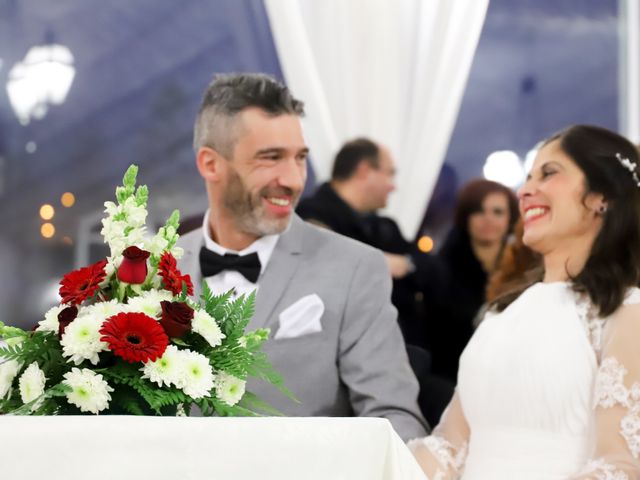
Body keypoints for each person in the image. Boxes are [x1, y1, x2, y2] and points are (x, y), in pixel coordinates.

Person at [177, 73, 428, 441]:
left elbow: (395, 419)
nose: (294, 180)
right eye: (271, 158)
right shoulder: (150, 269)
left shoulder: (355, 268)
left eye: (300, 158)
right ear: (210, 164)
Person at [409, 124, 640, 478]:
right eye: (528, 177)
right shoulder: (500, 313)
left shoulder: (625, 312)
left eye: (549, 173)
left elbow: (622, 465)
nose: (526, 191)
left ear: (600, 197)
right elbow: (449, 448)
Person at [297, 137, 454, 426]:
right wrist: (380, 262)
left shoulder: (384, 226)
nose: (394, 185)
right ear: (365, 170)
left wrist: (403, 263)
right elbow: (330, 273)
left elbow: (435, 274)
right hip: (347, 373)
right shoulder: (310, 218)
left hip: (405, 362)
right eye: (390, 173)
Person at [424, 179, 518, 381]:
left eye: (498, 212)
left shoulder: (524, 269)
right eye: (478, 211)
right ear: (466, 216)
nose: (488, 219)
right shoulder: (443, 268)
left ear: (510, 219)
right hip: (450, 374)